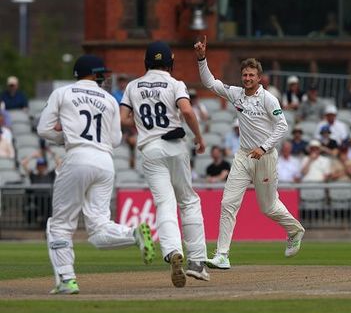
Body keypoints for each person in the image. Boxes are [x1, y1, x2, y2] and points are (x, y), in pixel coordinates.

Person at [37, 54, 155, 295]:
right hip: (105, 161)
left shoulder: (63, 93)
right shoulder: (110, 99)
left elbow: (43, 129)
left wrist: (66, 138)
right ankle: (132, 233)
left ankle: (67, 280)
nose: (104, 77)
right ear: (92, 74)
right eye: (101, 73)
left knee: (59, 225)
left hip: (78, 156)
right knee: (99, 227)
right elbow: (116, 139)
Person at [194, 35, 305, 269]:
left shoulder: (268, 99)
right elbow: (210, 83)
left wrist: (263, 147)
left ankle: (295, 230)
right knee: (228, 203)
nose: (247, 79)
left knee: (268, 207)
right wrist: (202, 58)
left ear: (259, 77)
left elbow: (283, 126)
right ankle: (222, 255)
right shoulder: (236, 94)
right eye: (244, 75)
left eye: (251, 75)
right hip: (244, 156)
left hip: (264, 157)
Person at [120, 41, 210, 287]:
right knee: (188, 201)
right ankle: (197, 263)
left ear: (146, 62)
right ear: (170, 63)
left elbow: (123, 118)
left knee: (164, 203)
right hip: (176, 145)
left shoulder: (132, 86)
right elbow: (188, 112)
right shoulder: (175, 83)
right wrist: (199, 139)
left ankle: (172, 251)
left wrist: (141, 123)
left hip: (150, 149)